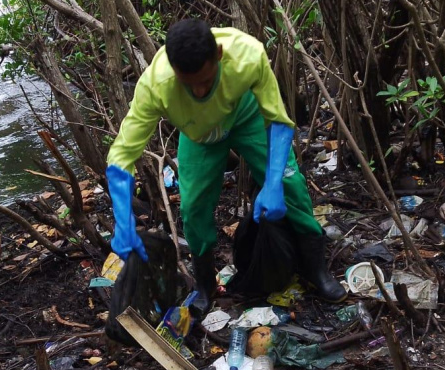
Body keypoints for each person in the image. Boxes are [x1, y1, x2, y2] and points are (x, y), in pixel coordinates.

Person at [106, 18, 346, 316]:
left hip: (246, 114)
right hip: (200, 134)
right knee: (193, 208)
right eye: (188, 84)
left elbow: (279, 122)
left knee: (289, 184)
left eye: (206, 81)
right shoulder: (156, 84)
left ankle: (316, 271)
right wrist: (122, 218)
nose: (199, 91)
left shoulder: (246, 55)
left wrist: (271, 184)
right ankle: (205, 285)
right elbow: (122, 155)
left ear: (218, 55)